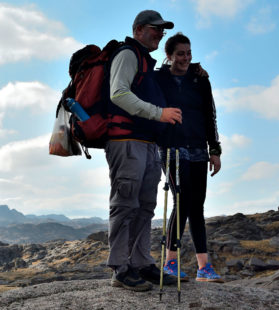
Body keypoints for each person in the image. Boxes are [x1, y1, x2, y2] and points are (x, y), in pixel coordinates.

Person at [106, 10, 183, 291]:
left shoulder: (146, 62)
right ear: (138, 29)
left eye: (162, 30)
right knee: (125, 205)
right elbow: (119, 93)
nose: (160, 34)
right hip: (126, 142)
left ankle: (140, 262)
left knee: (145, 206)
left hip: (148, 145)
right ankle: (120, 269)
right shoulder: (127, 54)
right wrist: (158, 113)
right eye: (155, 29)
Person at [155, 32, 223, 282]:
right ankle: (170, 262)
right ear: (169, 55)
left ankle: (204, 268)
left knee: (197, 206)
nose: (186, 58)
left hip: (198, 148)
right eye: (180, 53)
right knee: (180, 200)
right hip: (171, 147)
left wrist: (214, 150)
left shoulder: (200, 80)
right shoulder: (159, 78)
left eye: (189, 53)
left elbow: (210, 115)